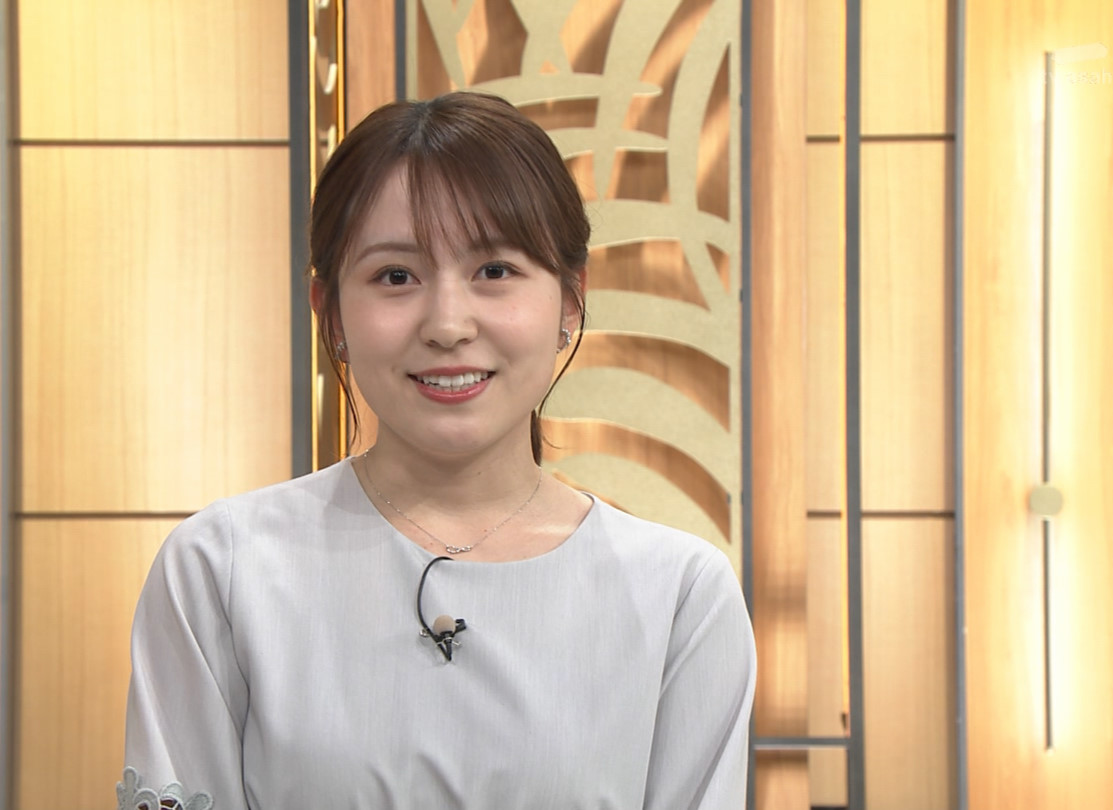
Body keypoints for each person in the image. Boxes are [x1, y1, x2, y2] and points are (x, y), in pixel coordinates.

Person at [119, 91, 755, 810]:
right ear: (330, 313)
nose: (448, 325)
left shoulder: (679, 596)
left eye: (495, 271)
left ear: (571, 300)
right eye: (396, 276)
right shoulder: (223, 569)